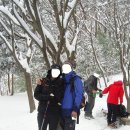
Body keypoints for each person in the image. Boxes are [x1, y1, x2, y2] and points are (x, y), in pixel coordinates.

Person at [34, 64, 65, 130]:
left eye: (57, 71)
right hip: (43, 111)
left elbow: (61, 97)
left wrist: (54, 98)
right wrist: (47, 97)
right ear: (50, 71)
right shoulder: (43, 81)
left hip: (54, 113)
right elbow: (36, 95)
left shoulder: (61, 83)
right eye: (54, 71)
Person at [60, 60, 83, 130]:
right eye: (64, 67)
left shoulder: (76, 79)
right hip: (61, 111)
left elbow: (79, 95)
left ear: (71, 68)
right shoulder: (61, 79)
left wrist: (75, 109)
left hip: (72, 111)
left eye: (67, 67)